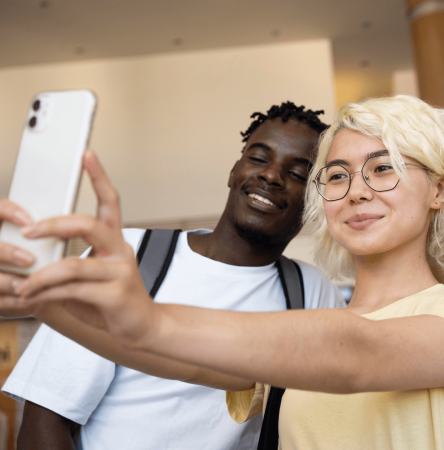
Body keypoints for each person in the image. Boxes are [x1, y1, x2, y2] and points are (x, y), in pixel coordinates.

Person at [1, 95, 444, 449]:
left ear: (441, 189)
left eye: (383, 167)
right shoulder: (301, 330)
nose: (356, 190)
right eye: (337, 175)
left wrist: (147, 318)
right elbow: (160, 353)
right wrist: (44, 299)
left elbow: (357, 354)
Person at [0, 102, 345, 450]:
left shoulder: (312, 293)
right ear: (233, 171)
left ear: (314, 199)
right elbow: (45, 419)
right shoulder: (130, 255)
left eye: (299, 173)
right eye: (258, 158)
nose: (271, 175)